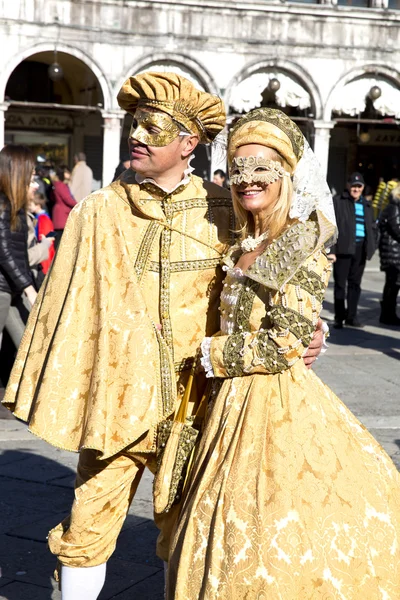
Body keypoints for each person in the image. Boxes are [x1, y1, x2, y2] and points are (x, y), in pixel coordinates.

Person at [2, 74, 324, 600]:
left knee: (191, 533)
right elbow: (67, 307)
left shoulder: (227, 210)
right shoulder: (98, 211)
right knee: (87, 529)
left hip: (199, 407)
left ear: (188, 143)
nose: (138, 135)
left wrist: (312, 330)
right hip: (116, 405)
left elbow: (263, 285)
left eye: (153, 126)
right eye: (134, 124)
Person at [167, 108, 400, 599]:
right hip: (226, 405)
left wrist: (211, 351)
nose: (247, 180)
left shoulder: (302, 243)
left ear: (287, 177)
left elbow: (285, 341)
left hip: (272, 404)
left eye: (261, 170)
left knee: (267, 521)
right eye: (239, 169)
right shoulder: (240, 242)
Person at [0, 144, 38, 350]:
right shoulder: (3, 205)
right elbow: (4, 252)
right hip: (4, 290)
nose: (35, 184)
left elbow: (18, 254)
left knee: (27, 347)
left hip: (12, 290)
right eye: (31, 178)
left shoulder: (14, 206)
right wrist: (29, 289)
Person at [329, 172, 376, 328]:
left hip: (360, 249)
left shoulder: (367, 205)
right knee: (340, 285)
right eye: (353, 186)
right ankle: (339, 317)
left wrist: (372, 245)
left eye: (359, 186)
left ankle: (352, 317)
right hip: (343, 249)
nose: (356, 189)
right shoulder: (338, 202)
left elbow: (372, 227)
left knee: (355, 284)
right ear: (348, 186)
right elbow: (331, 227)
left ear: (363, 188)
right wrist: (332, 250)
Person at [378, 184, 400, 325]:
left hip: (394, 252)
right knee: (392, 284)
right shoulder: (393, 208)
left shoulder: (394, 207)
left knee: (393, 284)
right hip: (392, 253)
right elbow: (397, 229)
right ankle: (387, 314)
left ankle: (389, 313)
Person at [28, 191, 55, 276]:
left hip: (43, 251)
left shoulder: (42, 218)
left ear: (37, 205)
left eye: (30, 205)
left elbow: (44, 235)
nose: (28, 207)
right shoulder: (39, 217)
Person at [51, 166, 76, 246]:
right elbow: (68, 199)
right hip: (62, 215)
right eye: (67, 173)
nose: (70, 175)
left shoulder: (57, 184)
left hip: (60, 213)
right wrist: (78, 205)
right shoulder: (61, 185)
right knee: (61, 241)